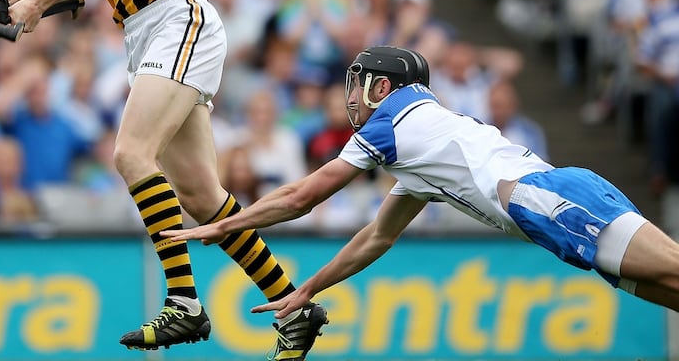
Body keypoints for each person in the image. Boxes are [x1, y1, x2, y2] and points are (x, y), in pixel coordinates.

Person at [0, 0, 328, 359]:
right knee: (200, 195)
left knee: (131, 153)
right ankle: (293, 306)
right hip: (142, 35)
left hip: (177, 14)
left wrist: (38, 2)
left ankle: (184, 302)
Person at [163, 45, 679, 318]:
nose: (352, 98)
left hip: (549, 202)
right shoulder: (420, 145)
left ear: (382, 87)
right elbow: (376, 237)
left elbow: (304, 196)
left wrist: (226, 224)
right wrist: (308, 290)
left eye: (358, 86)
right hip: (551, 208)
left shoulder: (394, 121)